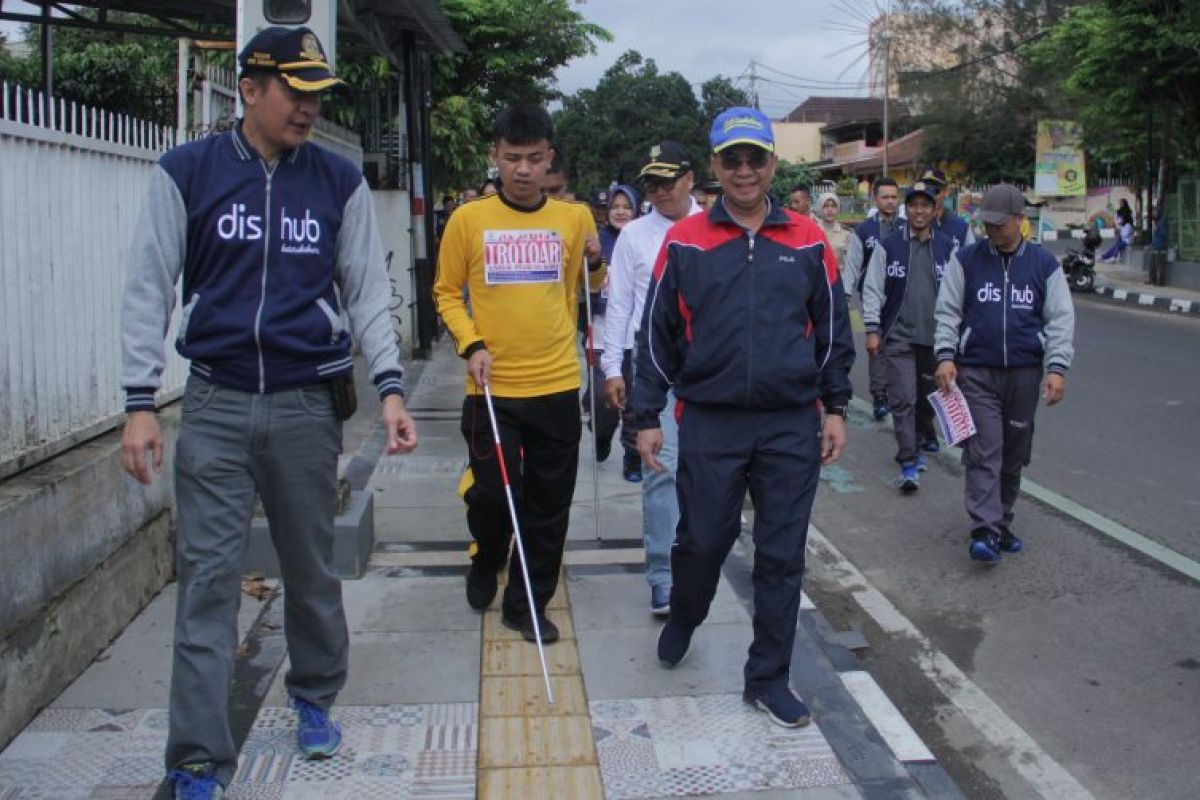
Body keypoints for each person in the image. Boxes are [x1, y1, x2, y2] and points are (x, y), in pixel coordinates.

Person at [118, 27, 418, 800]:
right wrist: (139, 402)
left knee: (311, 566)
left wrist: (389, 388)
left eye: (317, 93)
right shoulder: (186, 173)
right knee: (208, 580)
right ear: (249, 88)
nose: (309, 108)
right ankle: (195, 756)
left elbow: (366, 292)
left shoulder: (337, 182)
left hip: (303, 405)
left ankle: (315, 695)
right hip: (214, 401)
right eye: (295, 90)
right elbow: (149, 286)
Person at [634, 107, 854, 727]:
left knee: (782, 555)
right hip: (710, 419)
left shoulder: (808, 240)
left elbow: (833, 331)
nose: (744, 170)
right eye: (732, 159)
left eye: (755, 158)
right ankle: (685, 612)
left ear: (772, 164)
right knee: (704, 540)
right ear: (715, 167)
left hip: (789, 422)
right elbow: (657, 335)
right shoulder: (685, 242)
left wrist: (835, 406)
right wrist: (646, 414)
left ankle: (767, 678)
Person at [434, 104, 604, 642]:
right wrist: (471, 342)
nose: (523, 169)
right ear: (495, 157)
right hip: (490, 389)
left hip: (556, 385)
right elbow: (444, 293)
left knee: (548, 506)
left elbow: (587, 291)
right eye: (512, 158)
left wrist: (597, 263)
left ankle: (526, 601)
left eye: (534, 158)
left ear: (549, 159)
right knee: (490, 496)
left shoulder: (574, 220)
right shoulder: (469, 220)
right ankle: (486, 556)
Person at [933, 184, 1074, 562]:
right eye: (987, 224)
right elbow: (947, 312)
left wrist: (1057, 367)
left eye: (999, 224)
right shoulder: (966, 260)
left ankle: (1002, 521)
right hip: (977, 372)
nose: (991, 231)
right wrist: (945, 355)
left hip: (1025, 375)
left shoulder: (1044, 265)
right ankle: (983, 528)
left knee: (1013, 455)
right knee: (984, 451)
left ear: (1019, 220)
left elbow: (1060, 320)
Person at [601, 140, 702, 615]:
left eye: (668, 181)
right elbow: (619, 304)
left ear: (690, 179)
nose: (660, 192)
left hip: (711, 359)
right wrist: (612, 366)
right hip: (653, 359)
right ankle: (663, 574)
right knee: (662, 466)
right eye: (652, 184)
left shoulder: (716, 227)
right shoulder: (634, 236)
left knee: (706, 470)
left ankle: (699, 558)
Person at [862, 181, 957, 492]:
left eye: (925, 206)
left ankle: (917, 441)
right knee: (902, 398)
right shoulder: (888, 246)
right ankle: (908, 461)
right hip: (898, 337)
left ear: (934, 210)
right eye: (913, 205)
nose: (919, 211)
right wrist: (873, 328)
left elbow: (958, 296)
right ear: (907, 209)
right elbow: (873, 289)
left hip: (935, 341)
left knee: (927, 401)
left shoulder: (948, 248)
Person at [583, 185, 640, 465]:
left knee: (634, 403)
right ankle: (602, 433)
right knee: (602, 401)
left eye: (626, 206)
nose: (620, 212)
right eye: (615, 207)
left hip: (636, 336)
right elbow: (581, 285)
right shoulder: (596, 242)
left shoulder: (642, 239)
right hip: (601, 334)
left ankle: (632, 455)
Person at [844, 177, 903, 420]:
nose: (890, 201)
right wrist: (844, 298)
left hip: (900, 299)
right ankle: (879, 396)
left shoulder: (907, 227)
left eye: (893, 197)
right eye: (884, 197)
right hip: (872, 302)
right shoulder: (864, 230)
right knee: (876, 347)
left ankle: (899, 394)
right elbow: (852, 266)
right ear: (875, 199)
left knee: (900, 351)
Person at [920, 168, 975, 248]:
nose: (930, 194)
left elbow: (971, 257)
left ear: (946, 192)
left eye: (936, 190)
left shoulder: (961, 227)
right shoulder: (912, 226)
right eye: (926, 189)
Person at [816, 192, 852, 267]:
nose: (830, 210)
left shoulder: (846, 233)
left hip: (838, 276)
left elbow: (851, 262)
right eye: (825, 206)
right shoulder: (813, 231)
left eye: (833, 206)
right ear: (820, 208)